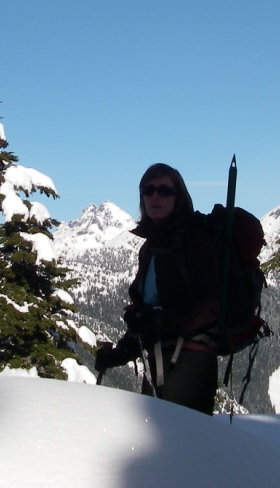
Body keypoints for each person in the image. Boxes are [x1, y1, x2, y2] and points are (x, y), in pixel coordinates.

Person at [95, 163, 222, 415]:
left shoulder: (194, 239)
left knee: (184, 443)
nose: (155, 196)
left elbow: (211, 302)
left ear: (179, 197)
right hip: (160, 361)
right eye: (148, 190)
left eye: (164, 191)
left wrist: (157, 320)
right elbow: (148, 314)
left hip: (190, 361)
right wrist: (119, 354)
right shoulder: (151, 247)